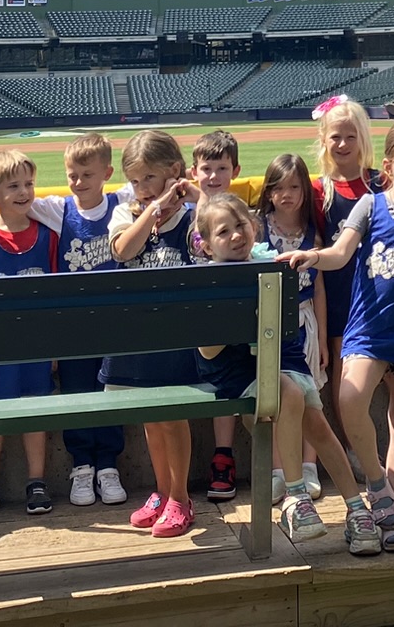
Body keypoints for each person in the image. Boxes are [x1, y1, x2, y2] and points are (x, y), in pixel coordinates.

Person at [289, 114, 394, 552]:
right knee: (348, 400)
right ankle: (378, 485)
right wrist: (313, 256)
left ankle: (391, 512)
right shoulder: (370, 205)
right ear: (388, 165)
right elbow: (341, 254)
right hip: (367, 331)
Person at [192, 193, 383, 555]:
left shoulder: (271, 265)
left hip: (283, 357)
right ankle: (296, 497)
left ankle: (357, 508)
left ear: (253, 226)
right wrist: (236, 319)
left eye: (240, 226)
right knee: (289, 393)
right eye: (223, 232)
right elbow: (208, 351)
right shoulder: (210, 281)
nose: (235, 235)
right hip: (235, 367)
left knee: (320, 427)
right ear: (206, 244)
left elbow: (284, 329)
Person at [108, 129, 200, 538]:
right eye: (135, 180)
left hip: (178, 335)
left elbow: (227, 232)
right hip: (138, 334)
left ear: (174, 171)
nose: (142, 188)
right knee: (151, 417)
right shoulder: (126, 212)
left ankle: (180, 495)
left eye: (150, 178)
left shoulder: (193, 215)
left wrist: (195, 197)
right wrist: (152, 210)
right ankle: (161, 491)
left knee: (173, 417)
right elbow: (125, 250)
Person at [30, 131, 128, 507]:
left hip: (114, 323)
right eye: (72, 174)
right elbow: (5, 195)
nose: (78, 182)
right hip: (73, 327)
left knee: (111, 393)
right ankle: (82, 465)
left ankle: (108, 465)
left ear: (107, 173)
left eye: (87, 175)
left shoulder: (122, 203)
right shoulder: (59, 209)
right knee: (76, 396)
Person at [0, 148, 59, 518]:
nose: (23, 192)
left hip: (34, 344)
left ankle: (37, 480)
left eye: (28, 184)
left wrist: (51, 347)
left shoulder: (47, 237)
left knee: (35, 413)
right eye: (13, 186)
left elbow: (52, 297)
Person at [258, 151, 331, 496]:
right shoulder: (259, 229)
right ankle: (277, 470)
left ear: (305, 190)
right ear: (268, 191)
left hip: (305, 322)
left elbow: (318, 289)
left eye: (294, 186)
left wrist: (325, 342)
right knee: (276, 399)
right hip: (272, 324)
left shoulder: (313, 236)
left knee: (310, 396)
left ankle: (307, 465)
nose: (286, 194)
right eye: (279, 187)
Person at [312, 95, 381, 445]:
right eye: (335, 136)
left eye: (350, 136)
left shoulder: (381, 183)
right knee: (345, 373)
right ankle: (355, 446)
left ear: (363, 138)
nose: (342, 144)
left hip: (381, 294)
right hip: (340, 298)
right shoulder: (318, 190)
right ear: (323, 139)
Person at [190, 129, 245, 501]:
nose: (213, 176)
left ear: (235, 170)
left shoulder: (241, 215)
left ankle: (223, 455)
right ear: (195, 171)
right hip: (198, 321)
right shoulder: (183, 213)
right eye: (206, 168)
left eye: (221, 168)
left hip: (233, 321)